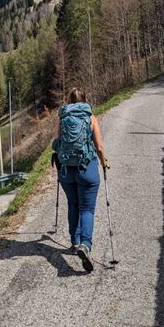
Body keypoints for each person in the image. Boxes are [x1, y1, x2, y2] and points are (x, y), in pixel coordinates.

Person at [53, 88, 109, 273]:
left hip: (67, 170)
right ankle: (85, 244)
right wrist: (104, 162)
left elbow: (56, 143)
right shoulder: (90, 117)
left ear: (69, 101)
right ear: (85, 100)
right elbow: (99, 146)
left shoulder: (62, 118)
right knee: (87, 209)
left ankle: (74, 241)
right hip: (87, 169)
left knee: (73, 205)